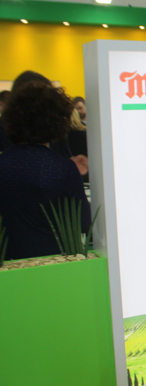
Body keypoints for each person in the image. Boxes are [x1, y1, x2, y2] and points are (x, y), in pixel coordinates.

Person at [0, 84, 91, 260]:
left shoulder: (3, 164)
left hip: (7, 261)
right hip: (53, 259)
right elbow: (84, 222)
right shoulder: (63, 168)